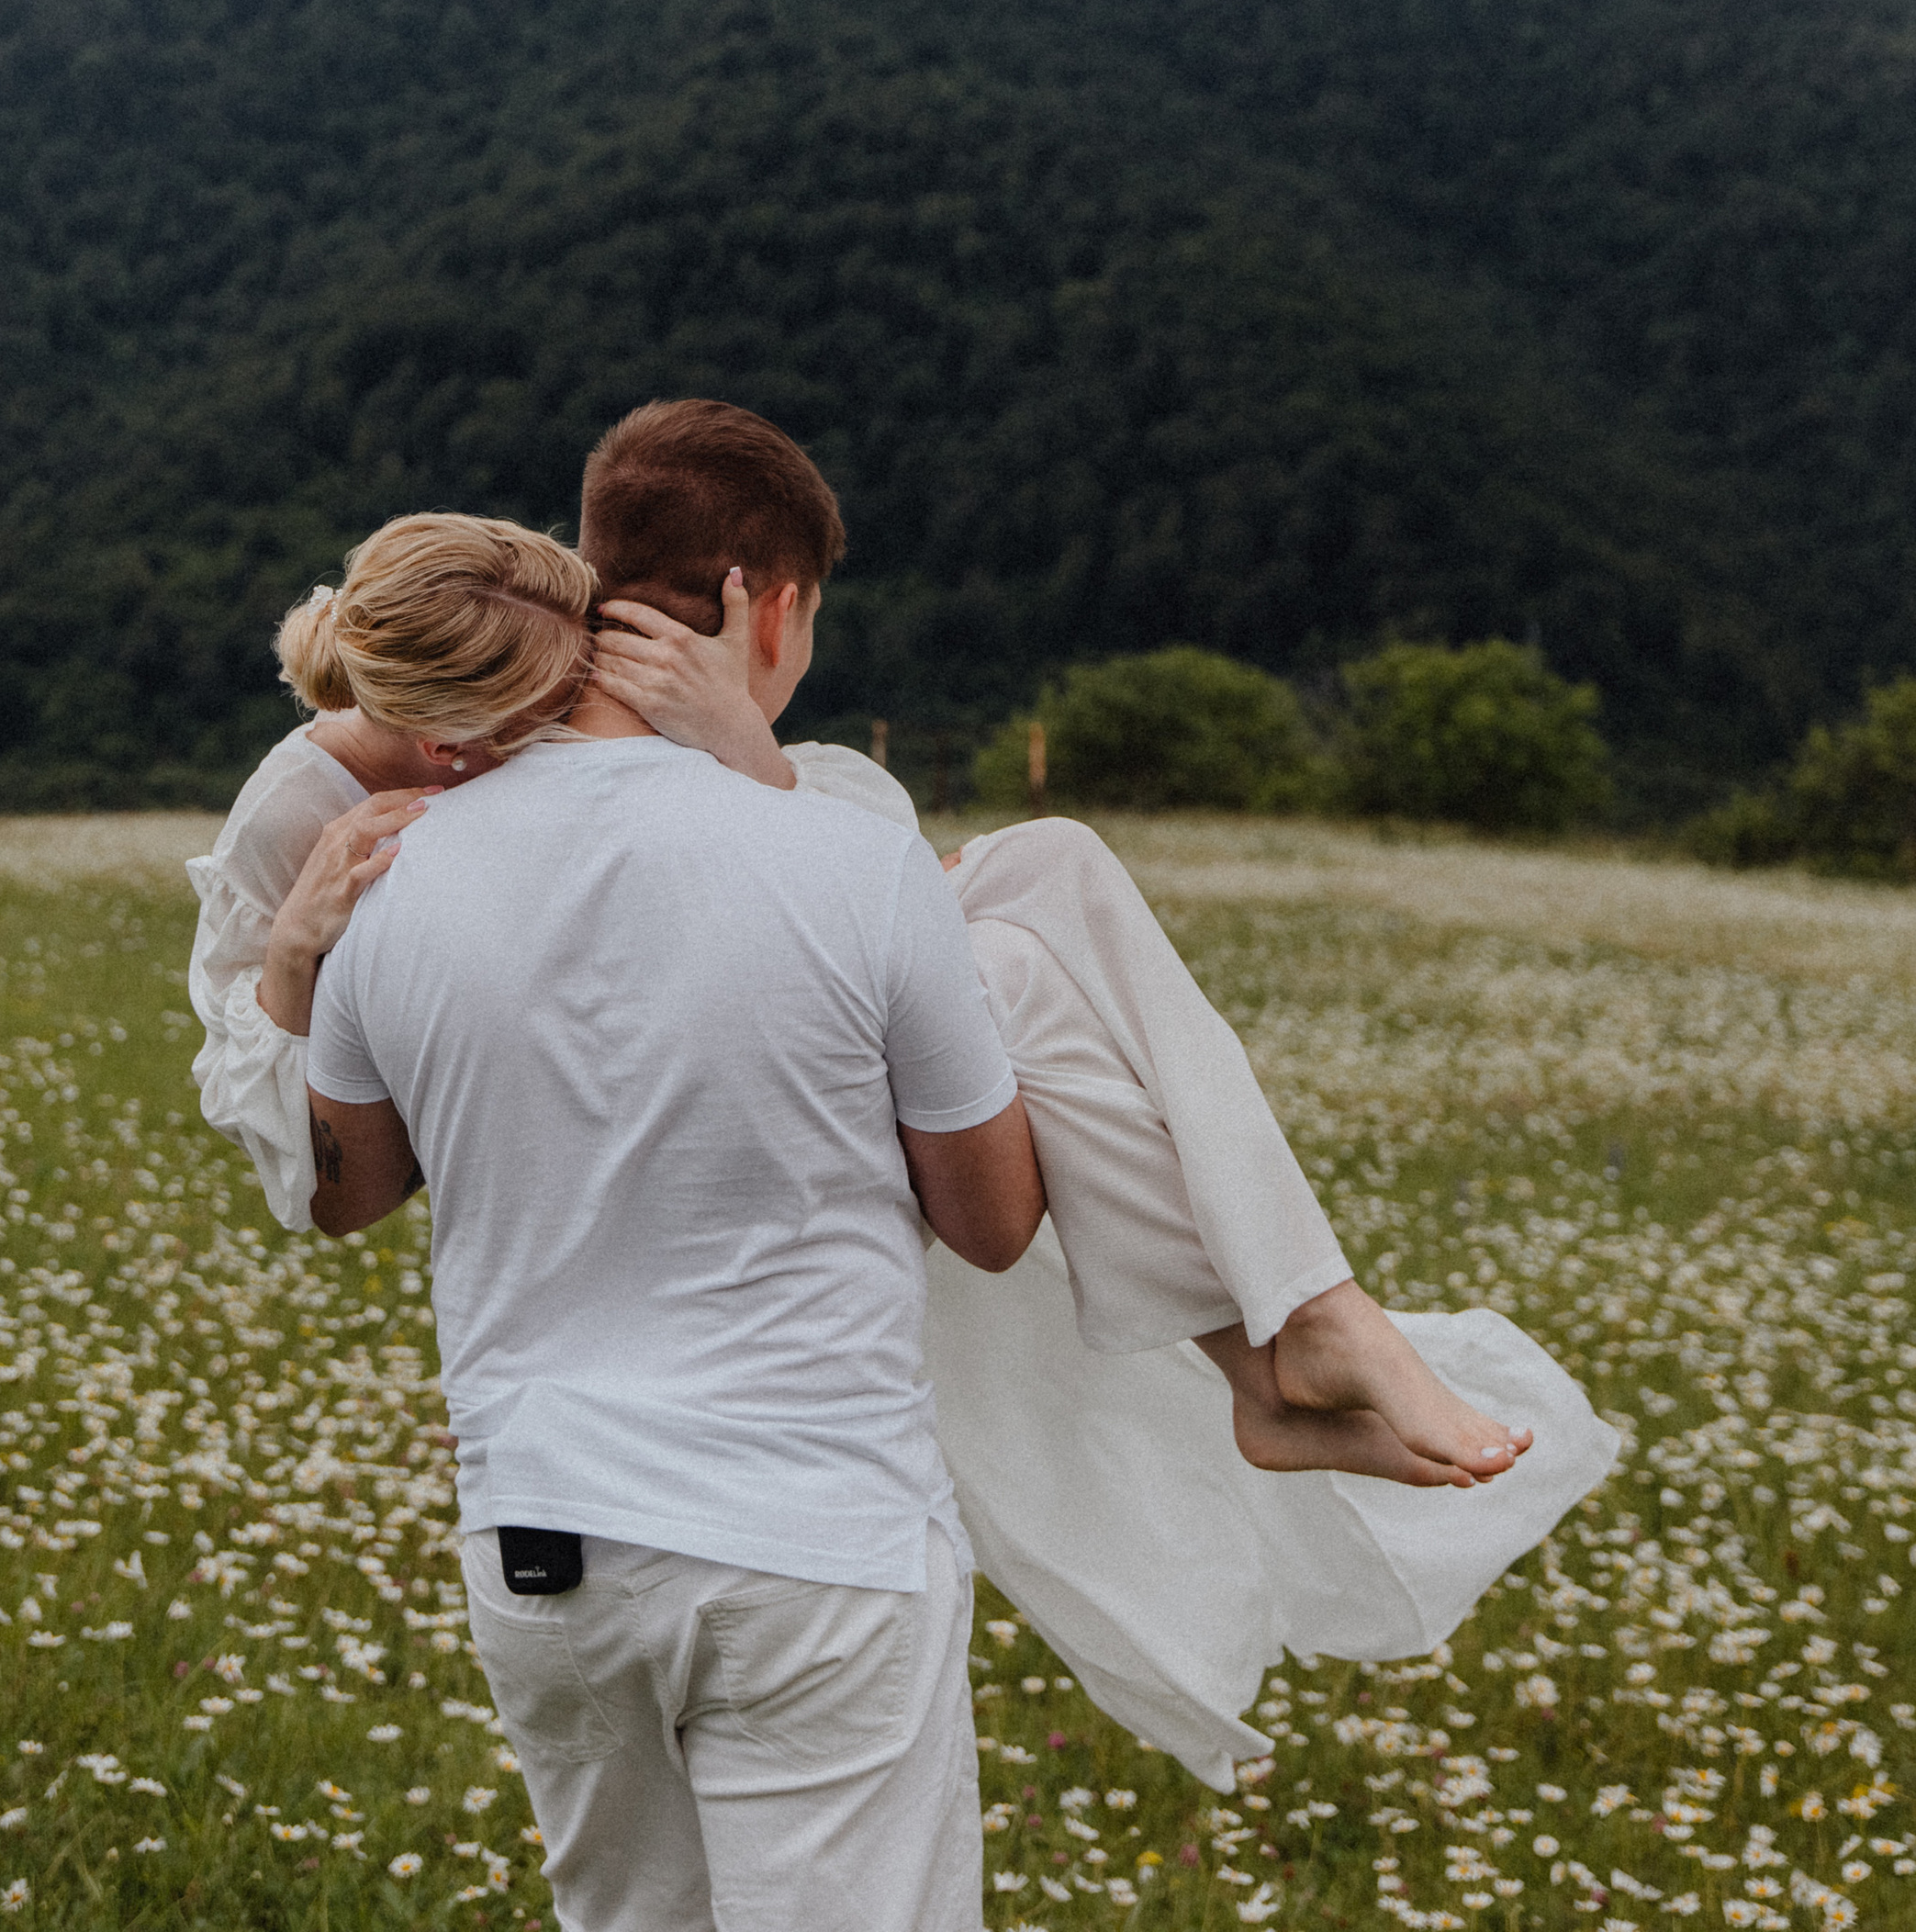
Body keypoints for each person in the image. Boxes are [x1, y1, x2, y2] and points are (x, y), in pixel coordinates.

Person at [185, 405, 1616, 1795]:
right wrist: (296, 970)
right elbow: (322, 1156)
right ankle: (1291, 1343)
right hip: (761, 1431)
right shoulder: (342, 798)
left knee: (1048, 880)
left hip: (596, 1448)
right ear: (773, 607)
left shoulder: (755, 778)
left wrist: (746, 760)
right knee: (1038, 913)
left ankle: (1296, 1337)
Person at [295, 482, 1043, 1932]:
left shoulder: (385, 881)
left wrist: (290, 969)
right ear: (768, 607)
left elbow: (347, 1195)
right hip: (815, 1540)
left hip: (545, 1547)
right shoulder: (854, 860)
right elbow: (993, 1223)